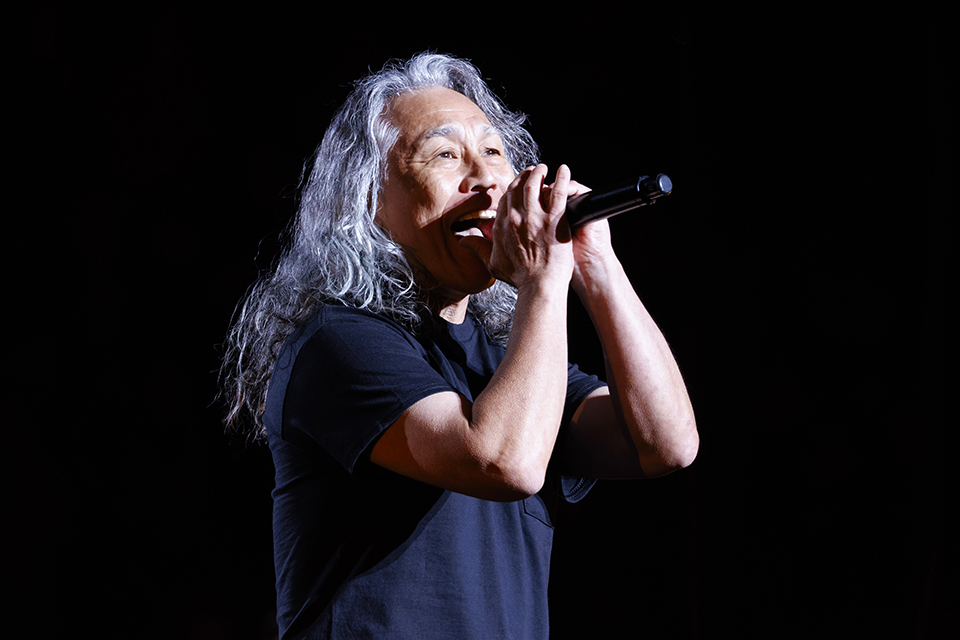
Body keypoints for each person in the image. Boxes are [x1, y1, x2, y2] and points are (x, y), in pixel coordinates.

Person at [221, 52, 698, 640]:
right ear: (368, 202)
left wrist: (596, 264)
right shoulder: (337, 341)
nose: (489, 179)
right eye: (445, 155)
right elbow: (504, 461)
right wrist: (542, 280)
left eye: (494, 152)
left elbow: (666, 442)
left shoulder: (508, 361)